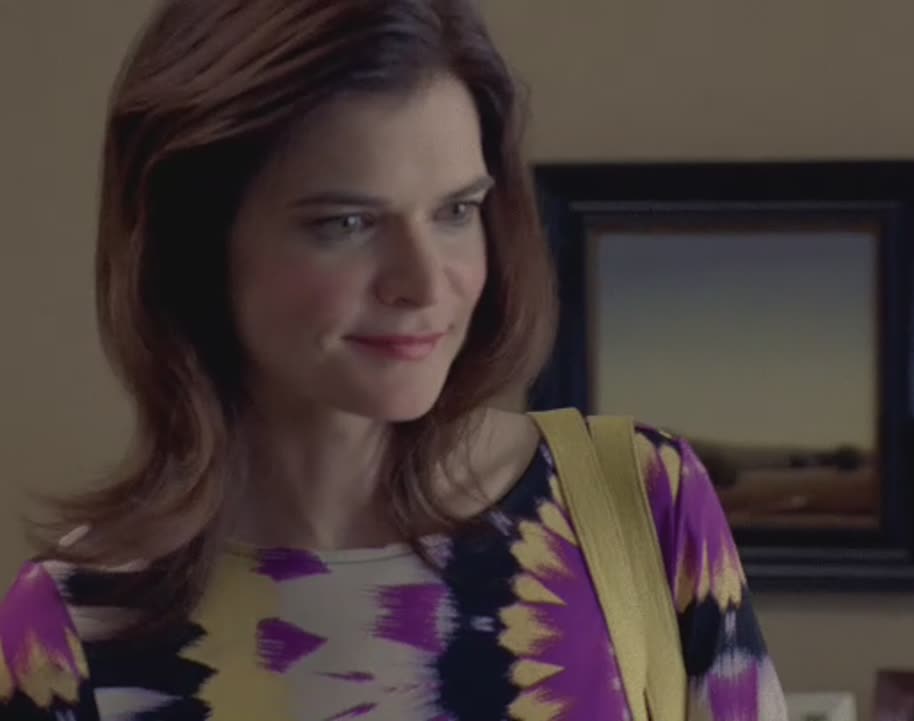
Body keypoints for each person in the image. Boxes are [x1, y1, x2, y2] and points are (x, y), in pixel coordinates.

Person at [0, 1, 788, 719]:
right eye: (346, 223)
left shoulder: (639, 501)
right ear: (195, 247)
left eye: (456, 211)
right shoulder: (73, 621)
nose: (425, 283)